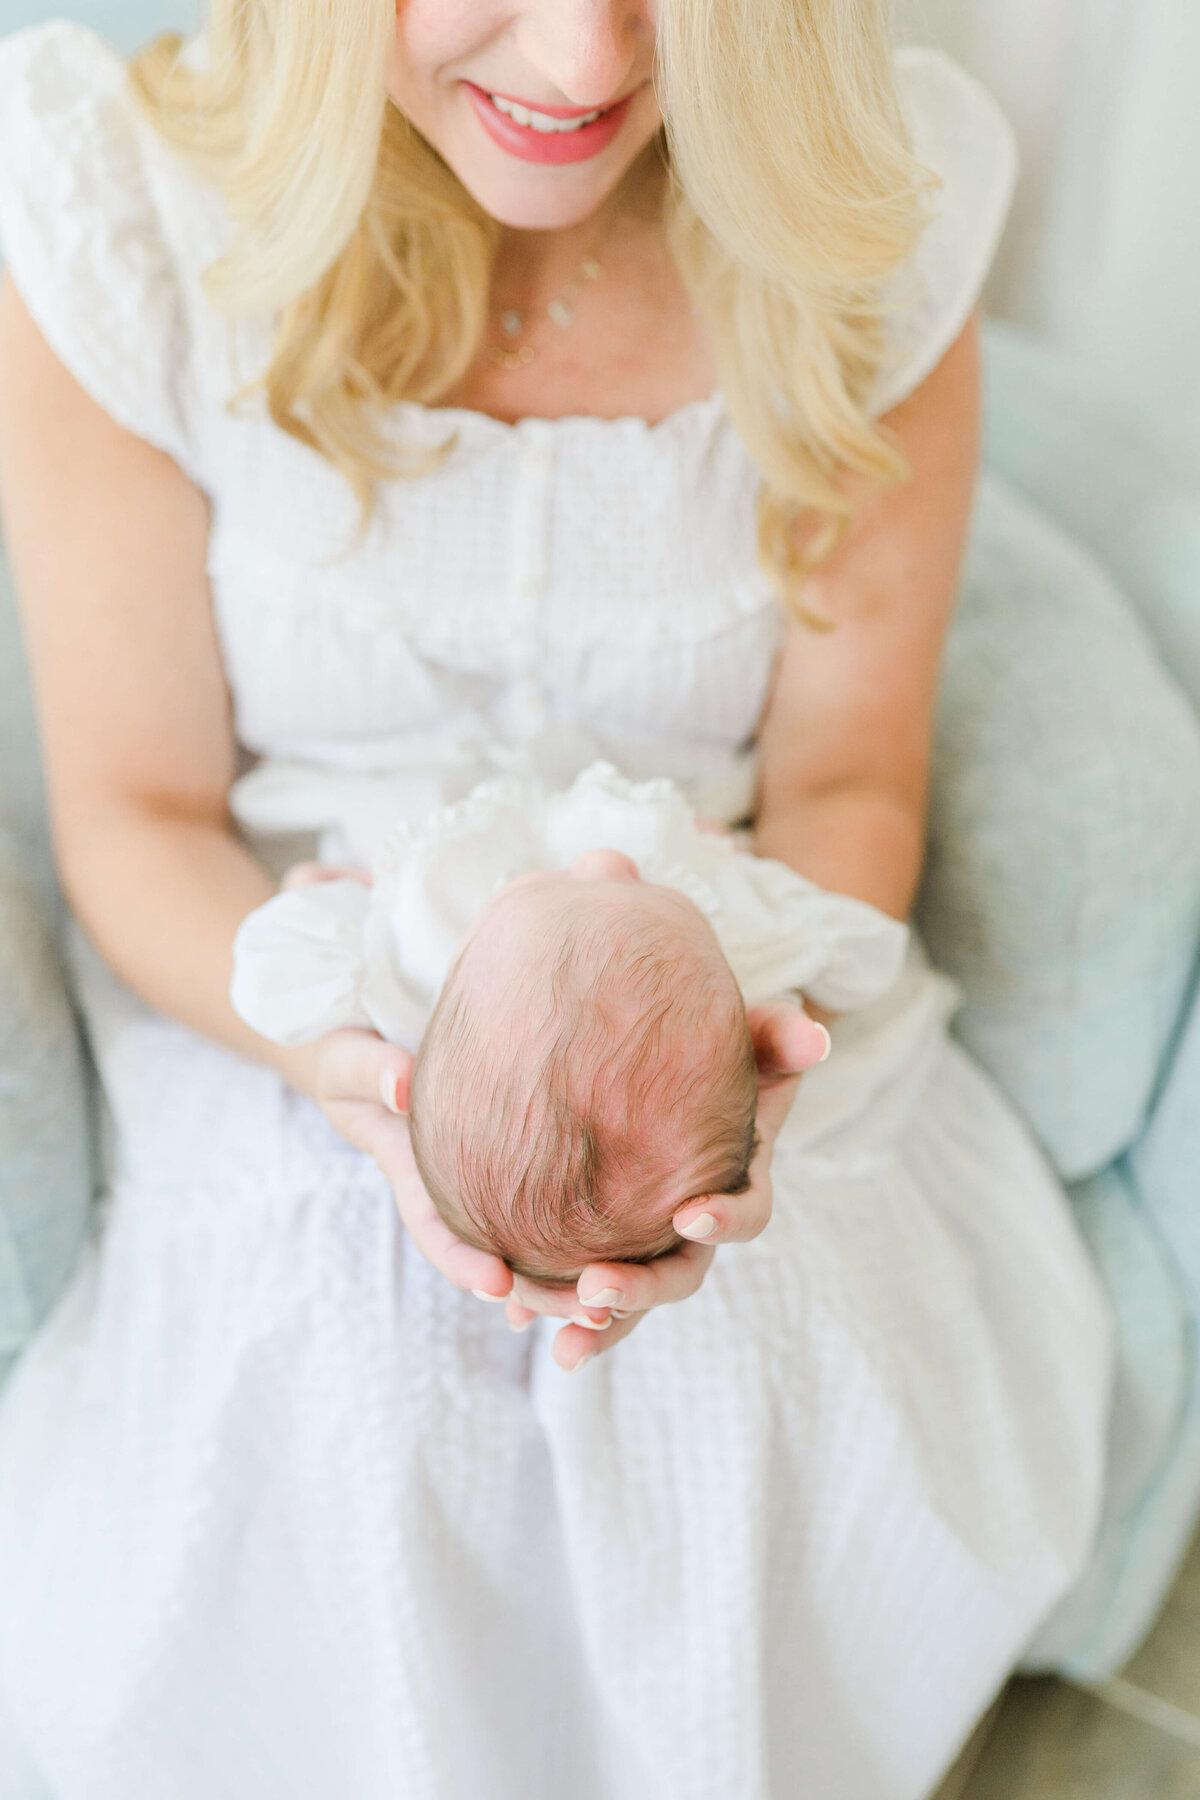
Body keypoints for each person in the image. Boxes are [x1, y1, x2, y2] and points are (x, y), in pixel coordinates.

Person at [0, 3, 1112, 1795]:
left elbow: (847, 780)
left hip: (735, 931)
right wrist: (348, 1070)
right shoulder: (117, 212)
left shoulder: (872, 221)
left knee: (749, 1382)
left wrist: (736, 1059)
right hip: (287, 974)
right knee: (358, 1397)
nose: (587, 62)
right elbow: (134, 818)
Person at [229, 762, 905, 1285]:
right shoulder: (744, 954)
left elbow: (276, 965)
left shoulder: (424, 953)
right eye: (649, 890)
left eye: (549, 887)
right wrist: (731, 868)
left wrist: (322, 892)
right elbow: (859, 947)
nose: (604, 858)